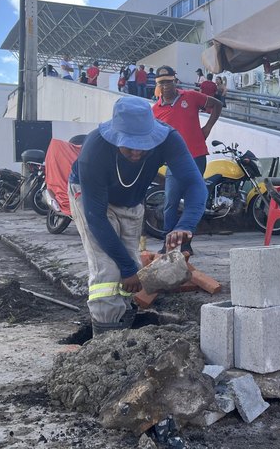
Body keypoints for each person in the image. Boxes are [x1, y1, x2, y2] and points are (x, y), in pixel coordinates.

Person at [69, 97, 206, 336]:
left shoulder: (169, 139)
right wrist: (125, 267)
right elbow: (96, 217)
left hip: (132, 202)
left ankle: (123, 317)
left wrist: (185, 225)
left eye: (142, 145)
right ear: (115, 136)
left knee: (132, 266)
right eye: (128, 145)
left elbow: (196, 185)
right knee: (109, 269)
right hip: (92, 200)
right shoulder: (95, 148)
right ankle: (105, 335)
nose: (136, 152)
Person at [152, 65, 223, 255]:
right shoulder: (155, 111)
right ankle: (168, 242)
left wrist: (207, 128)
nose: (166, 86)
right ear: (157, 85)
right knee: (170, 203)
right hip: (174, 163)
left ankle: (186, 243)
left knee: (193, 201)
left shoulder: (191, 97)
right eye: (162, 83)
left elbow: (217, 104)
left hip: (197, 156)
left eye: (168, 81)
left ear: (175, 80)